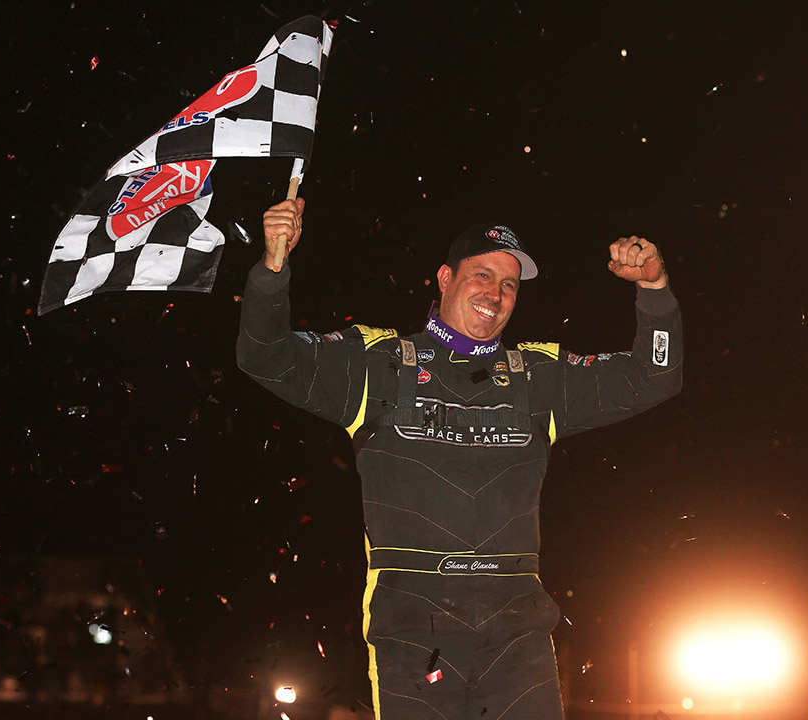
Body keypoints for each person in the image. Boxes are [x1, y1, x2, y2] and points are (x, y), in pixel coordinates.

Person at [237, 198, 682, 720]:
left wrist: (654, 292)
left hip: (518, 637)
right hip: (413, 636)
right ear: (446, 278)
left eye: (510, 285)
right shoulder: (377, 364)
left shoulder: (537, 375)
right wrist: (273, 268)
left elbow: (654, 377)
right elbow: (265, 356)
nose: (495, 293)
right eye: (482, 275)